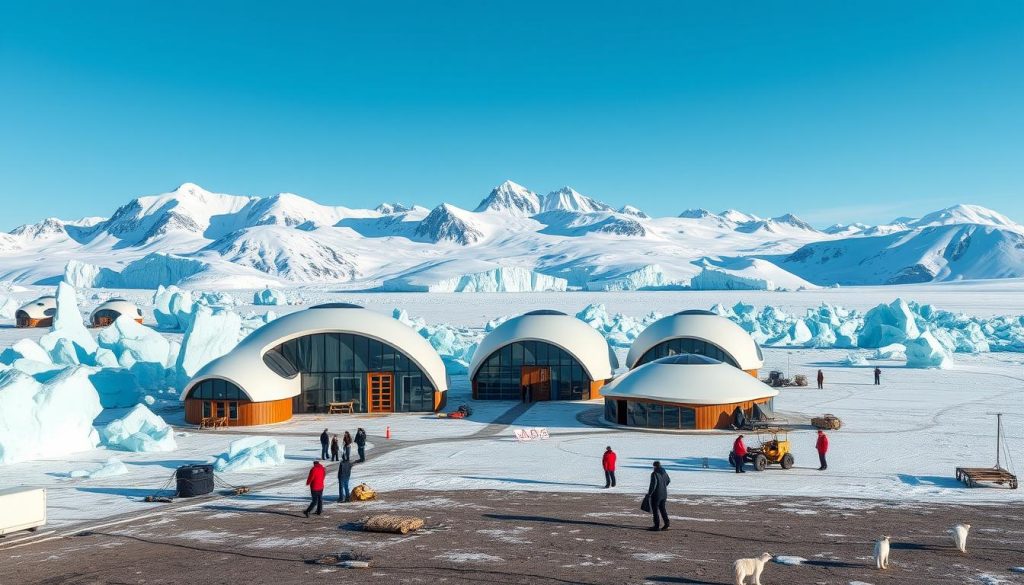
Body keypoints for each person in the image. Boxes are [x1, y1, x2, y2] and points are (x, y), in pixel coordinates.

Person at [646, 461, 670, 531]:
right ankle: (667, 523)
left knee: (655, 510)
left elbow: (653, 485)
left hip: (656, 495)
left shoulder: (654, 474)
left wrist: (649, 494)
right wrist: (663, 487)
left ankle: (656, 526)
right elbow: (668, 481)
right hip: (664, 494)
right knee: (662, 509)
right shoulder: (665, 473)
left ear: (655, 466)